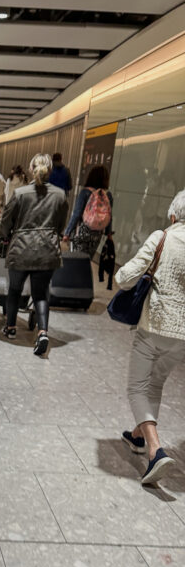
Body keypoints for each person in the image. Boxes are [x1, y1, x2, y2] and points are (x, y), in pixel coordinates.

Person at [116, 189, 185, 485]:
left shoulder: (163, 237)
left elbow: (125, 277)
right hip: (182, 336)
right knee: (154, 382)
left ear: (173, 215)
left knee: (137, 388)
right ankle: (137, 436)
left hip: (155, 326)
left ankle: (155, 451)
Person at [0, 153, 68, 356]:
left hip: (21, 249)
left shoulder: (20, 193)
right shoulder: (60, 195)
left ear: (31, 169)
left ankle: (11, 328)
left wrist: (4, 236)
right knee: (40, 294)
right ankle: (43, 332)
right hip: (47, 251)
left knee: (14, 289)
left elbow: (6, 220)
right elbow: (61, 225)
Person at [63, 165, 113, 258]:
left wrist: (67, 232)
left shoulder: (85, 192)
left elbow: (77, 214)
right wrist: (109, 234)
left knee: (75, 261)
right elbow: (109, 217)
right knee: (86, 262)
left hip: (82, 232)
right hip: (97, 235)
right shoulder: (108, 195)